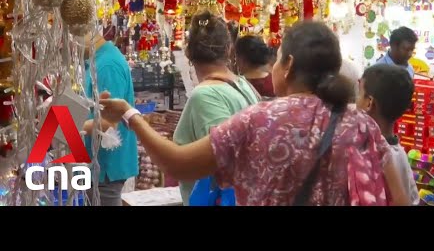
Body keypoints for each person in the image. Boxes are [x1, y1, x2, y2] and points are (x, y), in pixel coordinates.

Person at [97, 20, 410, 206]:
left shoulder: (260, 119)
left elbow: (178, 164)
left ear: (287, 66)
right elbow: (399, 199)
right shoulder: (362, 125)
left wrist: (130, 114)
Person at [173, 11, 258, 205]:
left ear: (188, 52)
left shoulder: (206, 96)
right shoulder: (242, 85)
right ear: (229, 49)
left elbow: (221, 159)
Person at [82, 29, 139, 206]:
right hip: (99, 167)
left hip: (105, 169)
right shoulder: (98, 60)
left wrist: (68, 125)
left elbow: (109, 122)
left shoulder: (106, 66)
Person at [356, 64, 419, 205]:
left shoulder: (369, 156)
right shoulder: (400, 154)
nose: (356, 102)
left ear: (369, 103)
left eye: (359, 94)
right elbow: (413, 198)